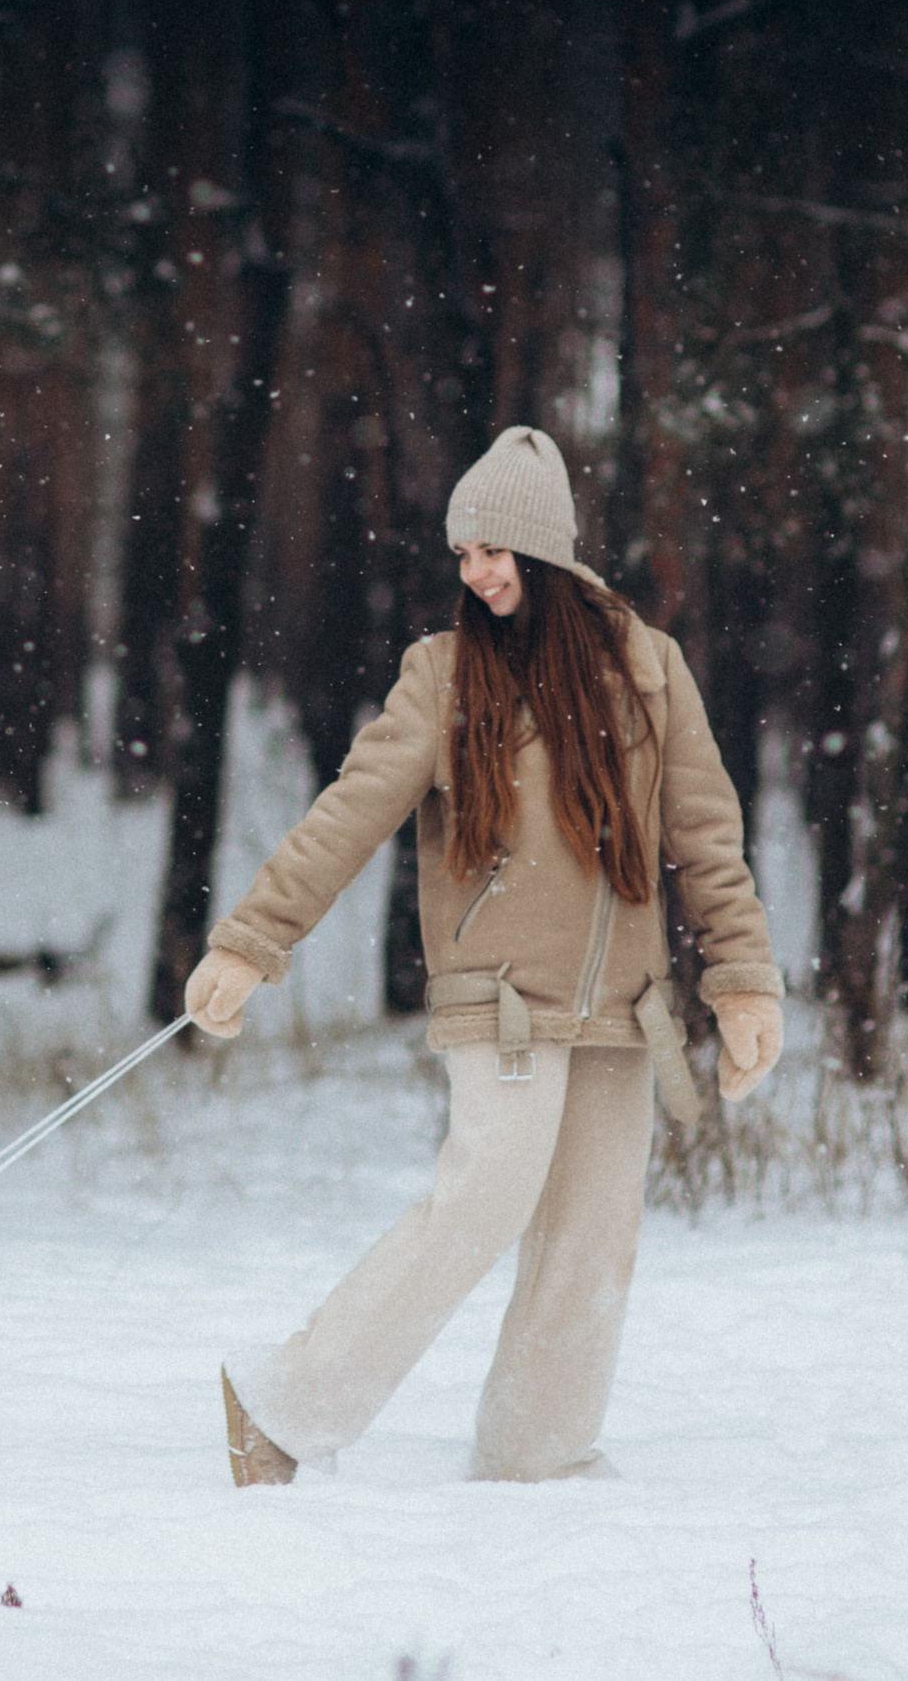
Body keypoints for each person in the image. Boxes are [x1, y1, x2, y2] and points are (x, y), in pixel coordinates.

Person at [189, 425, 783, 1486]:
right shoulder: (445, 674)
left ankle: (535, 1455)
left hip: (622, 1004)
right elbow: (346, 817)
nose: (476, 572)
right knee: (484, 1194)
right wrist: (250, 940)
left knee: (592, 1241)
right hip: (499, 997)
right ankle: (284, 1402)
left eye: (494, 551)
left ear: (546, 552)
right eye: (462, 554)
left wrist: (739, 980)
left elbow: (706, 836)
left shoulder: (649, 671)